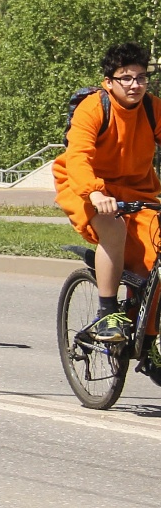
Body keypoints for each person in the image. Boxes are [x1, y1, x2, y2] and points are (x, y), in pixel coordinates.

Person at [54, 42, 161, 342]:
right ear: (109, 82)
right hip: (86, 186)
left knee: (155, 259)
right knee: (114, 230)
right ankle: (107, 314)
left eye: (141, 77)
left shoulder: (153, 109)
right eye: (126, 78)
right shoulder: (94, 107)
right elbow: (78, 157)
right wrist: (94, 193)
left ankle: (147, 339)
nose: (135, 85)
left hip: (137, 192)